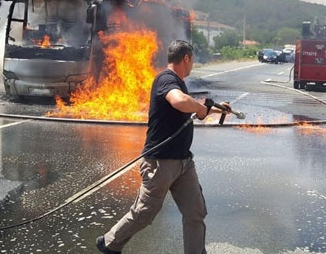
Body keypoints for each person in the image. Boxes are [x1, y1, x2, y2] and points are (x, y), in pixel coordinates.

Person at [96, 40, 231, 254]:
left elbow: (188, 110)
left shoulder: (178, 82)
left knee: (195, 212)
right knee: (145, 213)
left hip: (184, 163)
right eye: (192, 60)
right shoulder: (166, 79)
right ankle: (110, 242)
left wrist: (214, 109)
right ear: (186, 58)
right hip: (161, 162)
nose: (193, 64)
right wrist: (200, 107)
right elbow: (179, 102)